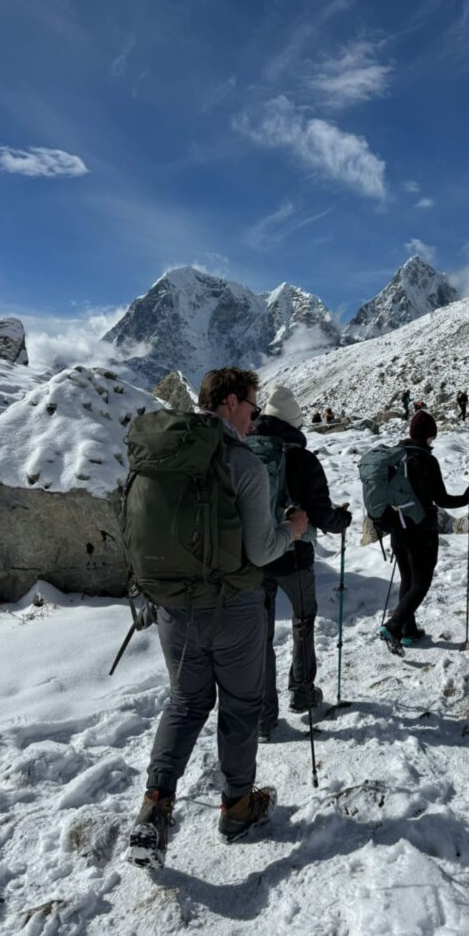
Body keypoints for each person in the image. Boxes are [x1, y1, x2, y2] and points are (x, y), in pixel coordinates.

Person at [127, 367, 309, 867]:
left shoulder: (160, 456)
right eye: (252, 406)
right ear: (229, 402)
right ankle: (237, 806)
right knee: (240, 705)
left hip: (173, 609)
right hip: (234, 610)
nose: (254, 418)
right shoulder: (241, 463)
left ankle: (155, 807)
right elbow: (262, 548)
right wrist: (293, 529)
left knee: (186, 702)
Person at [253, 386, 352, 740]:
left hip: (254, 558)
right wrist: (344, 522)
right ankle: (302, 691)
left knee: (260, 637)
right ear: (295, 423)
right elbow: (324, 517)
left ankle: (264, 717)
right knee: (303, 622)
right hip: (294, 557)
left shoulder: (246, 452)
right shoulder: (303, 460)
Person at [378, 410, 469, 653]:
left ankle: (409, 632)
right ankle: (394, 625)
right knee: (421, 583)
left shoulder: (396, 458)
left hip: (398, 528)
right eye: (432, 436)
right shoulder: (426, 460)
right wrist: (466, 497)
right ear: (428, 436)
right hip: (422, 530)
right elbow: (441, 498)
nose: (433, 441)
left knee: (407, 580)